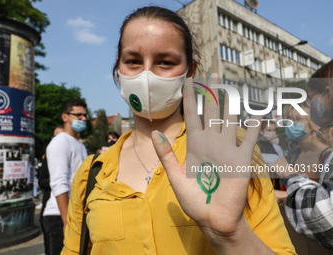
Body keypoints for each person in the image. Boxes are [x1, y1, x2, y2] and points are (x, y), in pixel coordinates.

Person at [62, 6, 296, 255]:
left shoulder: (230, 149)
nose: (147, 75)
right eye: (133, 61)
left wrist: (232, 235)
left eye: (165, 62)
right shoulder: (91, 173)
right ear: (118, 72)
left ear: (190, 72)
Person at [277, 59, 333, 250]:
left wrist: (289, 178)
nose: (291, 125)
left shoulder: (328, 155)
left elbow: (327, 217)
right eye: (288, 120)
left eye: (297, 120)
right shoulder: (289, 156)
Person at [42, 99, 88, 255]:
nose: (83, 119)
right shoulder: (60, 142)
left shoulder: (79, 144)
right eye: (78, 115)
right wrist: (66, 221)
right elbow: (59, 182)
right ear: (65, 117)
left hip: (75, 215)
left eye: (85, 115)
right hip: (59, 216)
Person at [37, 126, 63, 255]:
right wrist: (57, 181)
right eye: (55, 136)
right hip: (52, 209)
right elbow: (41, 181)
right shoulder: (49, 157)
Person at [257, 119, 288, 204]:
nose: (272, 132)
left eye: (274, 130)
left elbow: (285, 167)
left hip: (277, 185)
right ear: (261, 131)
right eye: (269, 130)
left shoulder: (277, 148)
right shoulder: (256, 148)